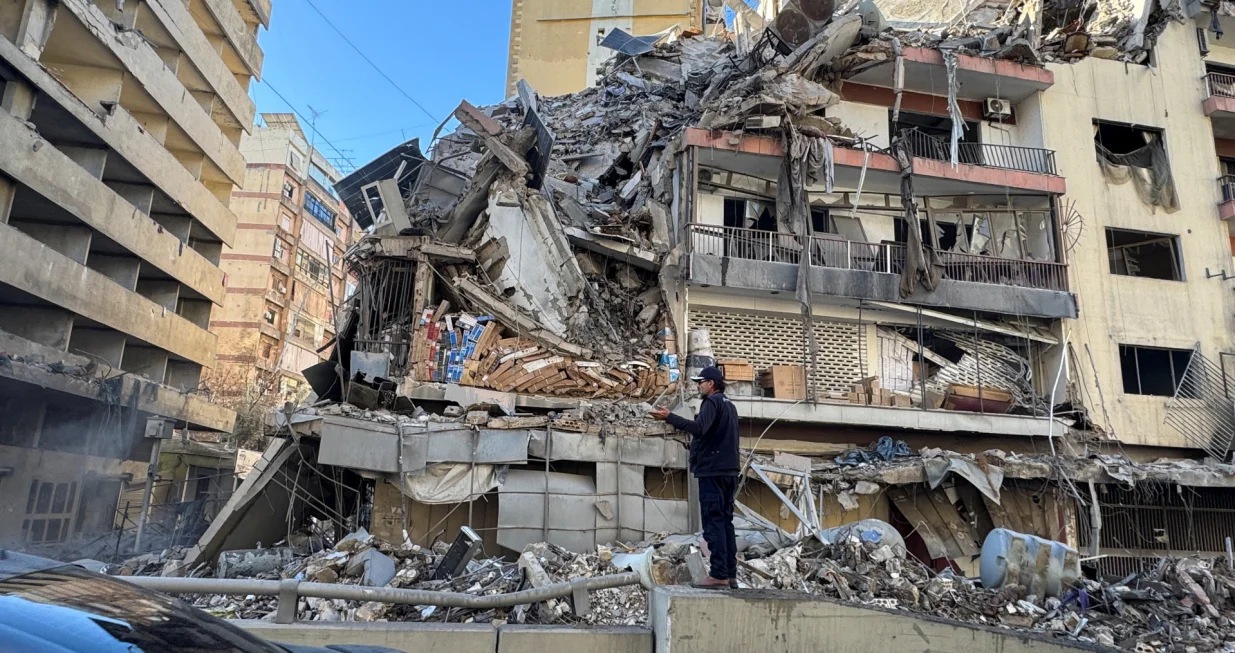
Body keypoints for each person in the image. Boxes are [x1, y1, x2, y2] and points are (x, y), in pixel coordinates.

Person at [649, 366, 739, 589]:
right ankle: (730, 574)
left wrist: (670, 417)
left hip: (713, 472)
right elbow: (714, 436)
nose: (698, 386)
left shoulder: (712, 402)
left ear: (711, 384)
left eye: (701, 382)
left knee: (713, 522)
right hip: (728, 471)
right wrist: (696, 448)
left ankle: (718, 575)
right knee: (725, 523)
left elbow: (699, 428)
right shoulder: (730, 405)